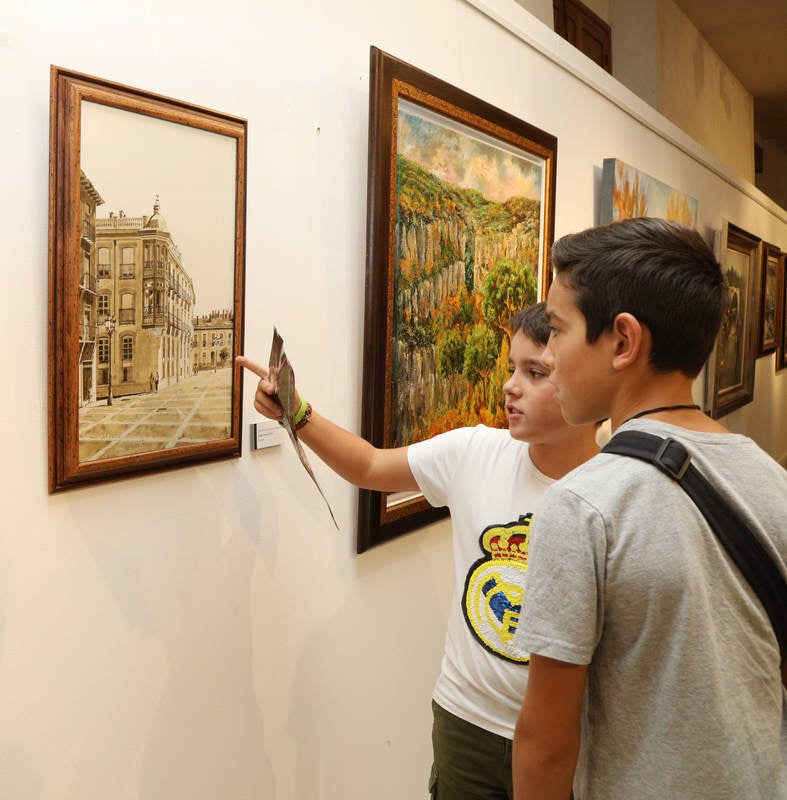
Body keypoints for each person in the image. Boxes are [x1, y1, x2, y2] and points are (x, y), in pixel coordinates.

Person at [238, 303, 599, 800]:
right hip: (467, 722)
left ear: (586, 377)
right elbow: (370, 466)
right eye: (511, 368)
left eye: (535, 373)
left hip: (573, 737)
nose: (510, 386)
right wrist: (296, 412)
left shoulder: (612, 491)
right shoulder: (476, 453)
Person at [511, 218, 787, 800]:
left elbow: (546, 744)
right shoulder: (771, 479)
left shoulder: (583, 505)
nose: (550, 357)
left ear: (623, 342)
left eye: (557, 331)